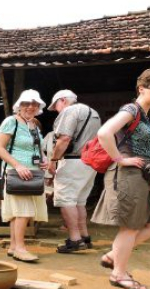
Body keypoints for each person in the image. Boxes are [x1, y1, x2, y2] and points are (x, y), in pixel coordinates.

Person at [91, 68, 150, 289]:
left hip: (144, 175)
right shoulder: (131, 109)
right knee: (130, 227)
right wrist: (119, 159)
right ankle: (118, 273)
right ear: (141, 88)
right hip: (129, 174)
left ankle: (112, 255)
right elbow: (104, 132)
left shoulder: (144, 114)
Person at [0, 89, 48, 262]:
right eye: (26, 103)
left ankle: (12, 246)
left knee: (19, 212)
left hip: (32, 172)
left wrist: (44, 160)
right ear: (19, 105)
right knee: (23, 211)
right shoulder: (11, 122)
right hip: (16, 172)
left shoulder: (33, 125)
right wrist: (17, 165)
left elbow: (36, 149)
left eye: (34, 104)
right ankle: (20, 248)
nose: (30, 107)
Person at [47, 90, 101, 253]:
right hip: (89, 162)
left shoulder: (70, 111)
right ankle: (84, 236)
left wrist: (53, 160)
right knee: (79, 201)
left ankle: (75, 240)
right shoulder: (93, 112)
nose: (56, 110)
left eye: (55, 106)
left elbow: (64, 138)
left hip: (73, 161)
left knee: (66, 200)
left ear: (62, 100)